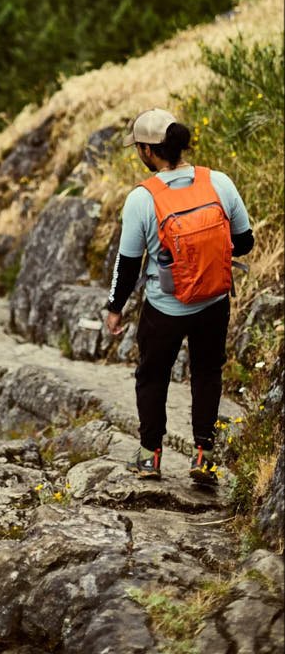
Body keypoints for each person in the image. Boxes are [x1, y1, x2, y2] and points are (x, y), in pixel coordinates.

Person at [106, 109, 254, 485]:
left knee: (153, 376)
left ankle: (149, 457)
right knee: (206, 373)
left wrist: (114, 308)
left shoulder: (142, 199)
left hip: (166, 307)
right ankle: (204, 457)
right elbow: (245, 241)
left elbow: (127, 266)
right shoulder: (218, 182)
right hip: (214, 302)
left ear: (147, 150)